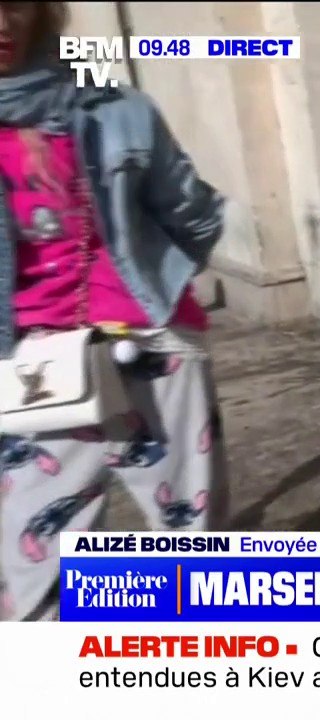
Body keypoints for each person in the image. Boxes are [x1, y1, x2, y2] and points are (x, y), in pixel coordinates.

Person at [0, 2, 227, 620]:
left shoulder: (116, 106)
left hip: (154, 343)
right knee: (35, 563)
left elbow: (193, 212)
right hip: (28, 367)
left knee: (192, 542)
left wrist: (161, 282)